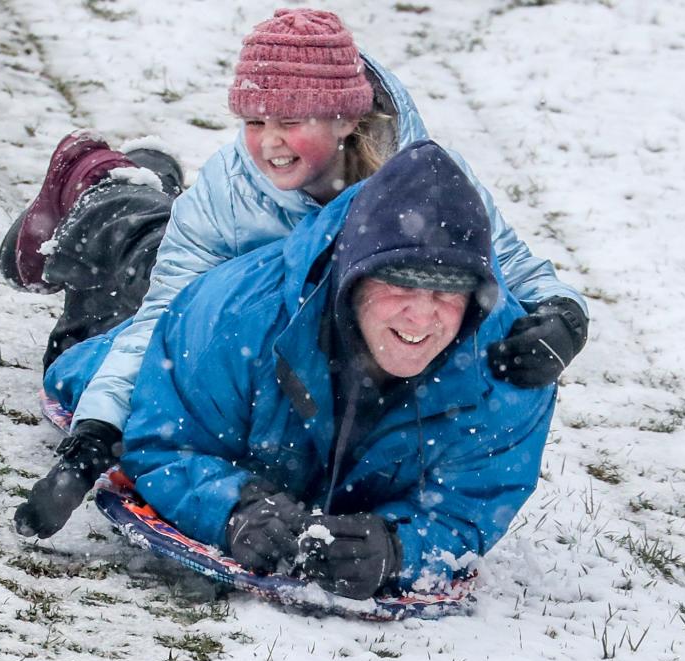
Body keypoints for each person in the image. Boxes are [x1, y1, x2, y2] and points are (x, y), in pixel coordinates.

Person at [10, 9, 587, 541]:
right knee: (122, 298)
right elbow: (162, 324)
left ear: (346, 119)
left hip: (299, 333)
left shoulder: (422, 188)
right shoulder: (230, 194)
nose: (269, 142)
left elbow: (509, 267)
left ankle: (148, 180)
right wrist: (97, 432)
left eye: (291, 121)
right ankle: (104, 187)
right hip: (228, 314)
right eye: (254, 121)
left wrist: (561, 319)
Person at [121, 141, 554, 598]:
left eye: (448, 293)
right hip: (152, 317)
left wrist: (398, 548)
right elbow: (163, 441)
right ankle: (115, 184)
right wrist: (233, 508)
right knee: (111, 297)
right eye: (401, 284)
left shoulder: (508, 374)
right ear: (354, 277)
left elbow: (471, 506)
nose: (421, 317)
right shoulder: (232, 318)